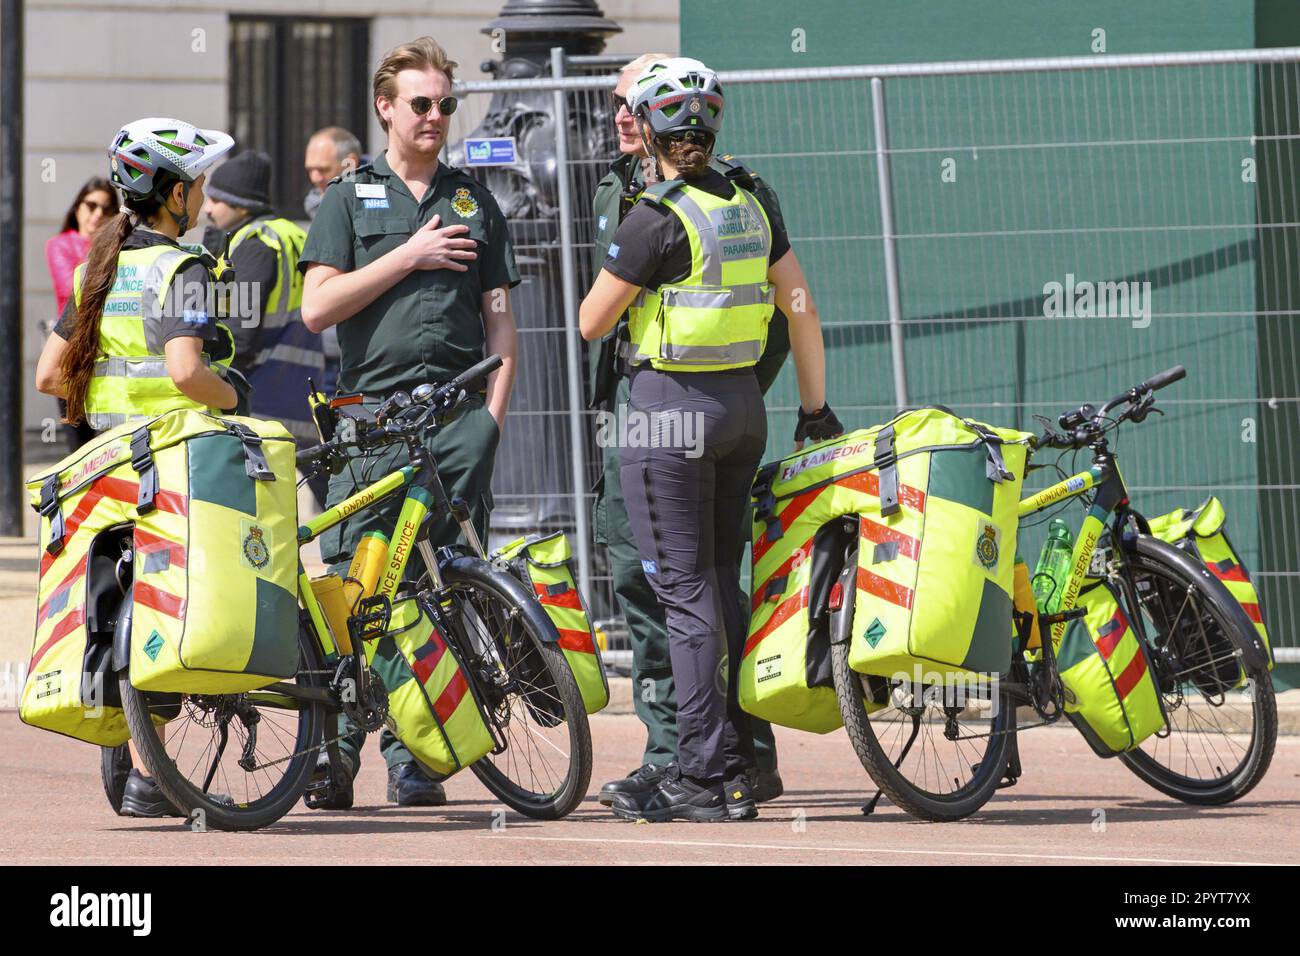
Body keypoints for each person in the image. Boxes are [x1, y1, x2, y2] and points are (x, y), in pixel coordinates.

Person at [580, 58, 842, 822]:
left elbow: (592, 321)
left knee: (684, 595)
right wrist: (814, 409)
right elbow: (801, 308)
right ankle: (736, 766)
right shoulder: (753, 200)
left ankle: (701, 772)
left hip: (669, 411)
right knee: (723, 586)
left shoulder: (654, 216)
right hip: (742, 412)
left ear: (654, 131)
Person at [299, 37, 519, 809]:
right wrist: (410, 255)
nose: (435, 117)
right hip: (369, 424)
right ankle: (332, 755)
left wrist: (490, 421)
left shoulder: (473, 200)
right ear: (385, 107)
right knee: (359, 594)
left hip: (456, 419)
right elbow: (318, 305)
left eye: (445, 104)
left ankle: (419, 757)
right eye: (420, 104)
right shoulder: (346, 197)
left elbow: (501, 326)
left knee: (444, 591)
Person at [35, 117, 243, 817]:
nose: (204, 195)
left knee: (118, 606)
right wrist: (232, 393)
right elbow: (187, 370)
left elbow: (46, 375)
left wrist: (104, 400)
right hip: (172, 462)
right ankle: (154, 781)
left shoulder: (105, 263)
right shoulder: (177, 268)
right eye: (200, 184)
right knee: (168, 608)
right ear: (176, 194)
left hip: (107, 467)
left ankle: (126, 765)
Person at [201, 150, 328, 507]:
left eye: (216, 200)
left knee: (256, 509)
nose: (207, 209)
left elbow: (239, 332)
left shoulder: (254, 245)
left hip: (260, 395)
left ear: (241, 205)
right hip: (302, 387)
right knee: (324, 495)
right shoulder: (291, 234)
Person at [44, 178, 120, 450]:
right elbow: (69, 288)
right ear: (78, 208)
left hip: (108, 349)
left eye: (107, 209)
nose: (98, 214)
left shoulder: (117, 249)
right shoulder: (60, 244)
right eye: (92, 205)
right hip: (72, 351)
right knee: (79, 445)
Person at [304, 127, 364, 399]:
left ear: (349, 161)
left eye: (322, 169)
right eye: (310, 169)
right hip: (323, 351)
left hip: (357, 354)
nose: (315, 177)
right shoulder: (318, 206)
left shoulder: (370, 203)